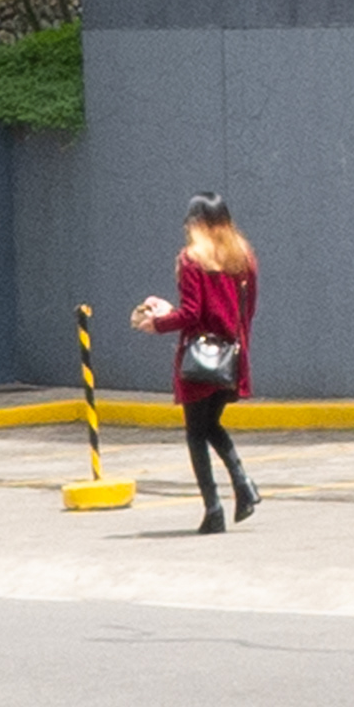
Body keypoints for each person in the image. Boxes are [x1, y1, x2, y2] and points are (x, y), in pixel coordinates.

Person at [132, 192, 260, 534]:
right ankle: (243, 485)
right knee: (212, 425)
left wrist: (157, 321)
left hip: (200, 361)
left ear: (199, 224)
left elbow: (192, 313)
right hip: (232, 358)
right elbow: (247, 311)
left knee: (195, 433)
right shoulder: (244, 257)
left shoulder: (192, 260)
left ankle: (214, 509)